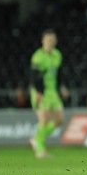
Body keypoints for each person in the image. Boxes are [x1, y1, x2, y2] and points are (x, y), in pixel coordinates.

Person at [29, 29, 69, 158]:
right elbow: (34, 77)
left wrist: (62, 87)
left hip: (52, 92)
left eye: (53, 40)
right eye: (48, 40)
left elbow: (59, 74)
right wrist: (39, 92)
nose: (51, 42)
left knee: (59, 120)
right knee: (44, 120)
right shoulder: (38, 56)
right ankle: (40, 149)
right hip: (40, 91)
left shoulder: (57, 54)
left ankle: (36, 139)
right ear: (43, 41)